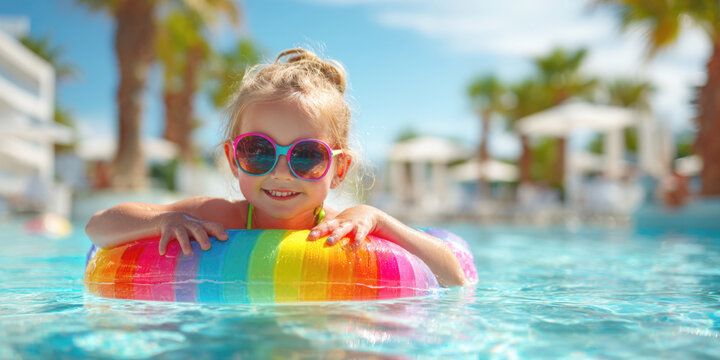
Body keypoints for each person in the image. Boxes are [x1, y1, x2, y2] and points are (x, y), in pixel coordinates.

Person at [85, 48, 470, 287]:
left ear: (339, 168)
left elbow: (453, 278)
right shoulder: (219, 217)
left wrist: (381, 220)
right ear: (234, 159)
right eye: (258, 151)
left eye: (306, 155)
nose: (281, 172)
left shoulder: (346, 226)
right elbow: (98, 226)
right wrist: (162, 222)